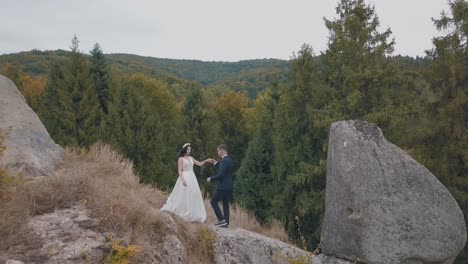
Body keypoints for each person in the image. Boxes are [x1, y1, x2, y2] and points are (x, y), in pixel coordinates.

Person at [161, 143, 211, 223]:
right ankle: (182, 211)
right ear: (184, 150)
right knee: (183, 194)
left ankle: (193, 213)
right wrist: (183, 180)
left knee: (193, 194)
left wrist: (206, 160)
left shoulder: (191, 158)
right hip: (184, 177)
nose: (189, 151)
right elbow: (179, 170)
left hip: (192, 178)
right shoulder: (180, 159)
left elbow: (199, 164)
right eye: (188, 149)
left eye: (190, 150)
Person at [207, 144, 234, 228]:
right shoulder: (229, 160)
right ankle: (226, 222)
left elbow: (221, 174)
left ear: (222, 151)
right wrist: (215, 163)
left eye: (218, 151)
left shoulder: (224, 161)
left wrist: (211, 178)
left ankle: (221, 220)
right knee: (225, 204)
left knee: (213, 201)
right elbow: (224, 170)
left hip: (222, 187)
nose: (218, 152)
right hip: (229, 187)